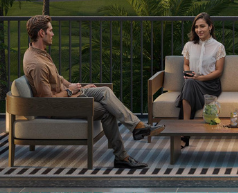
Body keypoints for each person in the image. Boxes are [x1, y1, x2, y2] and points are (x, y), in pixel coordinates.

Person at [22, 15, 164, 169]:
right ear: (41, 33)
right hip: (59, 106)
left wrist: (77, 87)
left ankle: (137, 128)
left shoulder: (40, 53)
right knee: (106, 110)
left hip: (68, 96)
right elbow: (48, 101)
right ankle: (124, 153)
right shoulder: (36, 64)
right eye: (50, 30)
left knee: (104, 91)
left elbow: (58, 78)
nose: (53, 34)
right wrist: (70, 92)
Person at [176, 12, 226, 148]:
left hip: (210, 84)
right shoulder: (189, 45)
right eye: (196, 27)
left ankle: (184, 133)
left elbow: (218, 71)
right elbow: (186, 63)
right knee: (190, 83)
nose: (199, 30)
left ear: (210, 27)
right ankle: (186, 131)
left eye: (202, 26)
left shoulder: (218, 47)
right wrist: (187, 72)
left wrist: (200, 78)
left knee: (189, 84)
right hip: (193, 81)